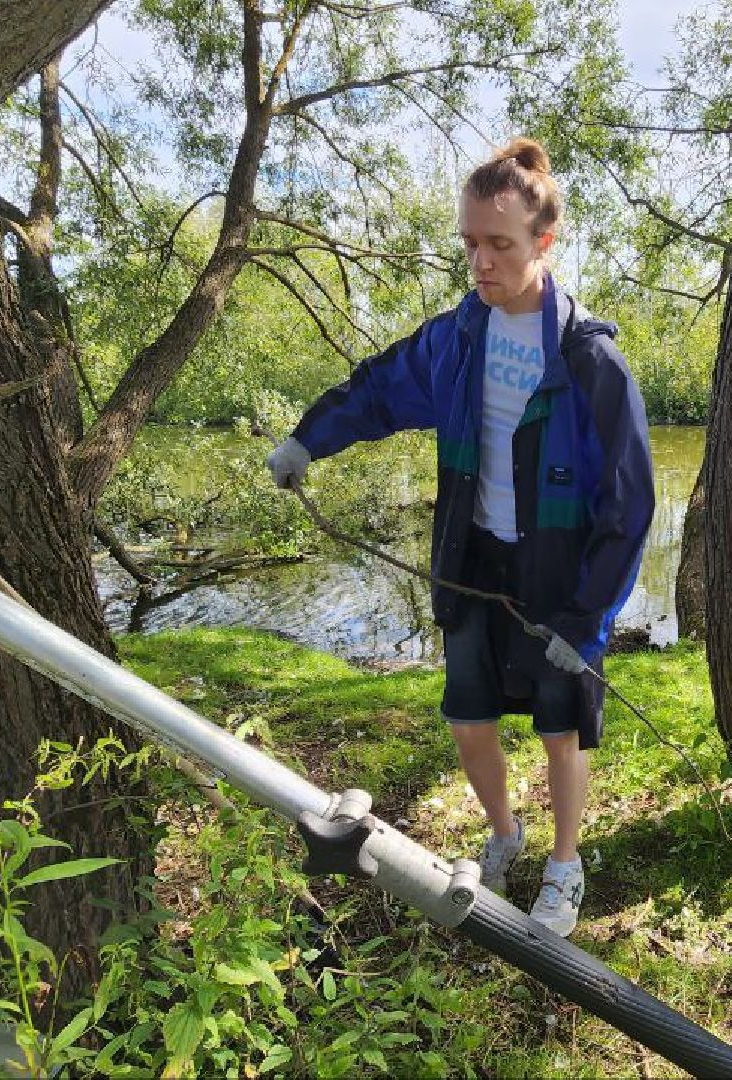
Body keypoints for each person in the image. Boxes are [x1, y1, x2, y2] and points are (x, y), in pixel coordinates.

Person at [267, 138, 654, 938]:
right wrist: (308, 438)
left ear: (544, 242)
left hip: (558, 567)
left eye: (499, 244)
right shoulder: (456, 338)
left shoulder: (590, 361)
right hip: (472, 556)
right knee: (468, 717)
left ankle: (565, 865)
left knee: (560, 725)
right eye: (470, 243)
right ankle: (505, 835)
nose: (480, 262)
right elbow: (379, 389)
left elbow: (630, 501)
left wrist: (585, 619)